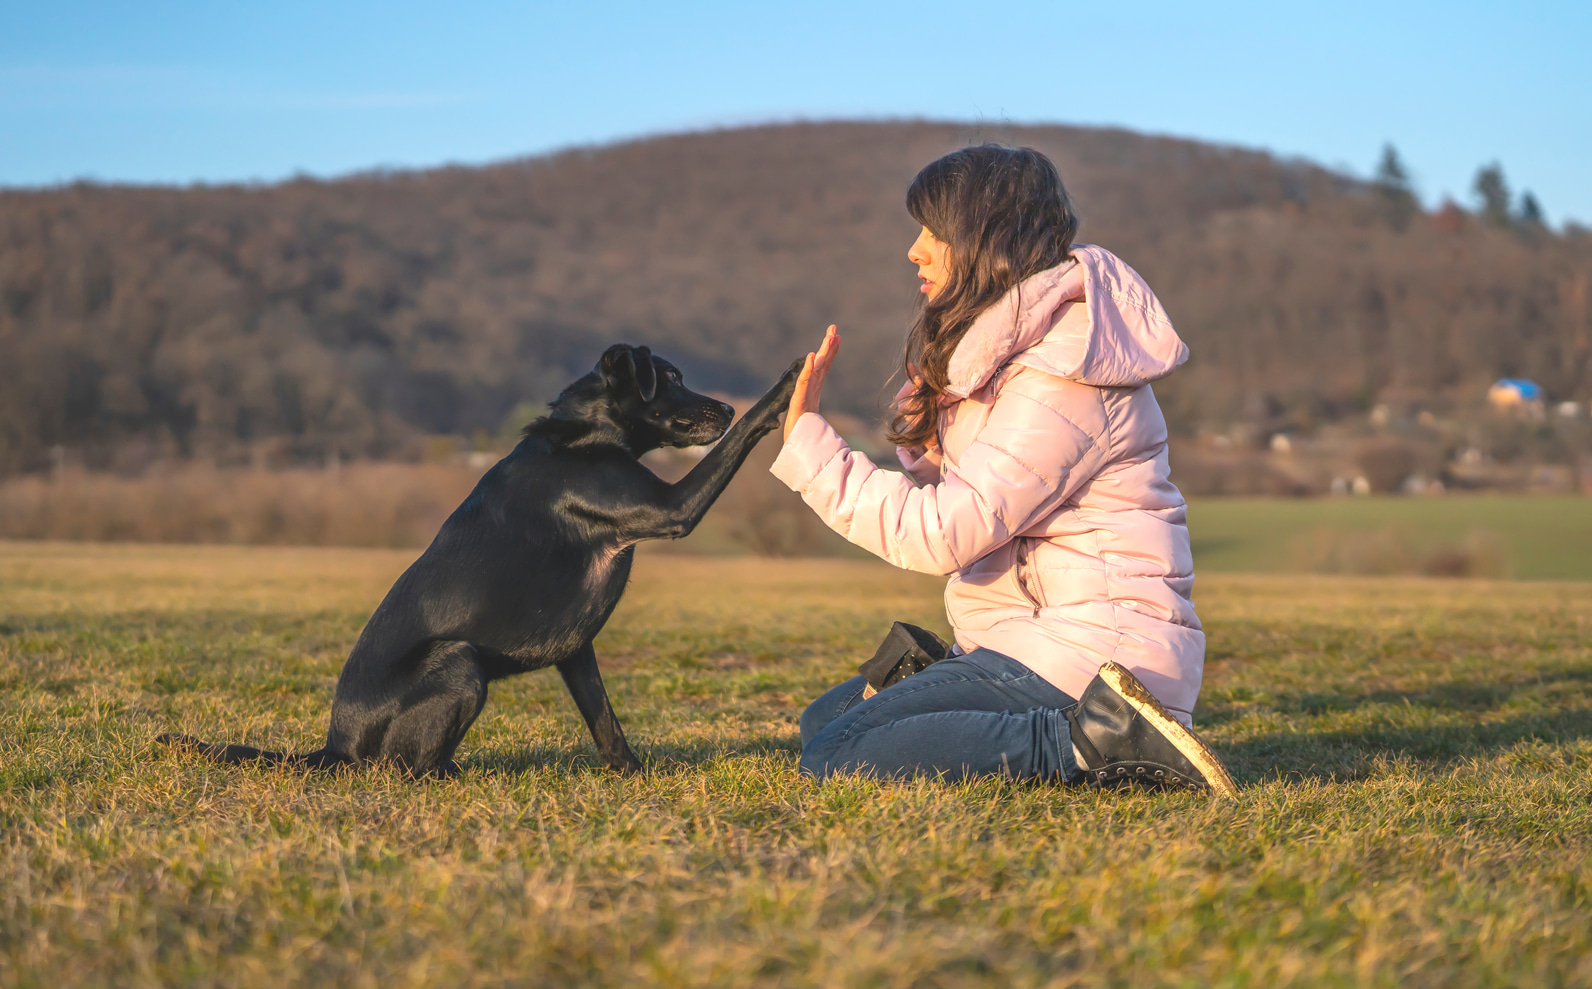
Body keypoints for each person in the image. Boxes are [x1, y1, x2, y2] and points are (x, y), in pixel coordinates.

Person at [771, 145, 1235, 795]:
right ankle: (942, 689)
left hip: (1095, 658)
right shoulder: (1024, 361)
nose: (915, 249)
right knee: (827, 719)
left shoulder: (1065, 371)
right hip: (1024, 640)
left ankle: (1095, 738)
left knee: (836, 750)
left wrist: (811, 449)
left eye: (934, 231)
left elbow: (943, 533)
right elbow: (982, 498)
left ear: (986, 238)